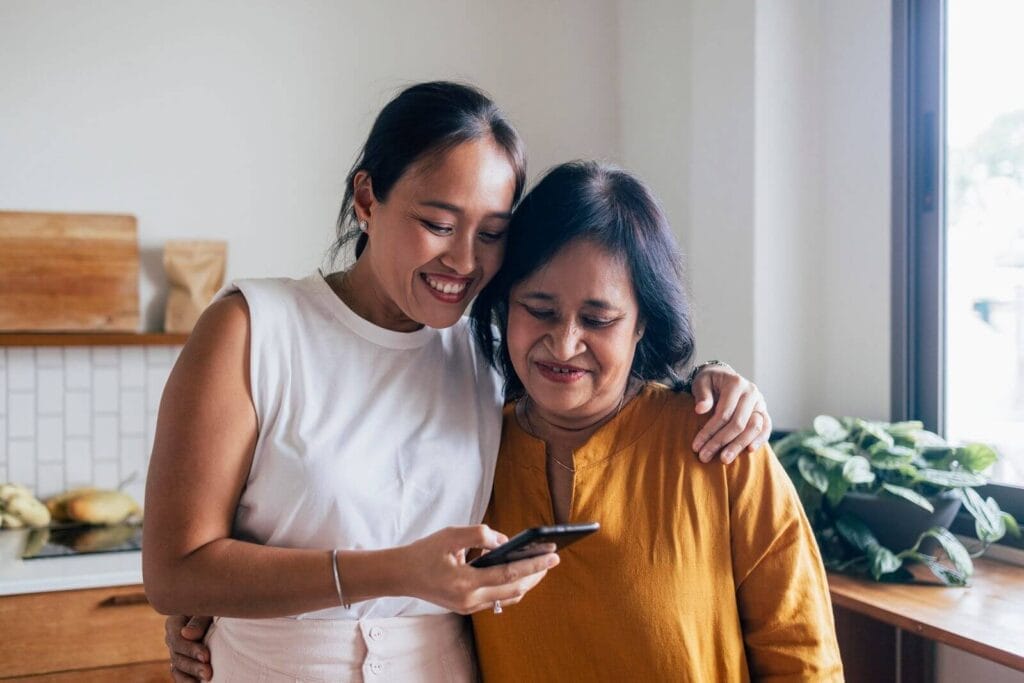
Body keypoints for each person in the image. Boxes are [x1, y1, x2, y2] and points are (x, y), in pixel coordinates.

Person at [149, 82, 772, 682]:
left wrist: (711, 378)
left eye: (492, 234)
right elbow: (175, 573)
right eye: (440, 224)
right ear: (367, 200)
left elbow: (593, 378)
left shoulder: (487, 351)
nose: (465, 261)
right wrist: (395, 573)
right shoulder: (253, 329)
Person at [467, 161, 843, 681]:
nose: (565, 343)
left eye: (598, 320)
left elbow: (803, 656)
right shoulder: (468, 450)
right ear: (505, 304)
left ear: (643, 320)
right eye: (539, 309)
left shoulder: (720, 446)